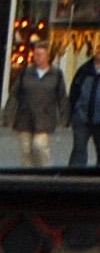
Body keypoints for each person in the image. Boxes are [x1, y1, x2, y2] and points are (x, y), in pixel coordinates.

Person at [6, 37, 63, 170]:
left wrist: (64, 117)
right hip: (25, 116)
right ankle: (27, 175)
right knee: (26, 150)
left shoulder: (56, 74)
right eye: (35, 54)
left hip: (44, 117)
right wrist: (8, 114)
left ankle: (45, 172)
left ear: (48, 57)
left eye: (40, 55)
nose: (36, 58)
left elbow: (62, 97)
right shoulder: (26, 72)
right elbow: (15, 94)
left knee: (39, 146)